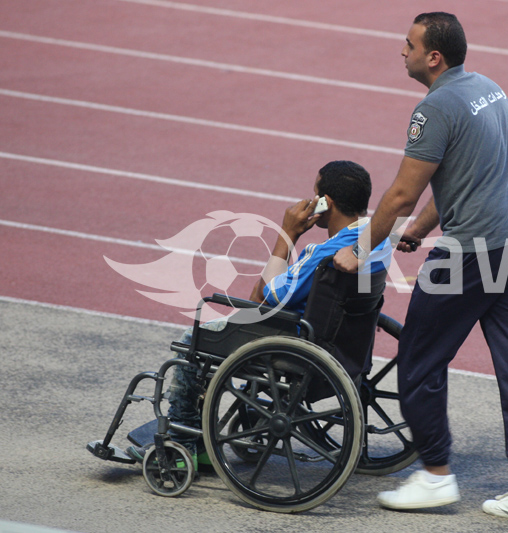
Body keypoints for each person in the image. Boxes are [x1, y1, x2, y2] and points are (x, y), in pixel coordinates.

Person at [333, 13, 508, 523]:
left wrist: (361, 249)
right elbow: (461, 179)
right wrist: (419, 228)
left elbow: (402, 193)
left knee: (419, 357)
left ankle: (435, 476)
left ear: (434, 57)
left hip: (472, 254)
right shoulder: (488, 88)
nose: (402, 51)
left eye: (409, 44)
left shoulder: (432, 110)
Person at [126, 160, 390, 467]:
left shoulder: (322, 254)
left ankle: (186, 445)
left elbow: (264, 297)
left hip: (297, 340)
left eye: (314, 193)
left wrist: (287, 234)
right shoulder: (377, 240)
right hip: (344, 344)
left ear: (325, 203)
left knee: (192, 342)